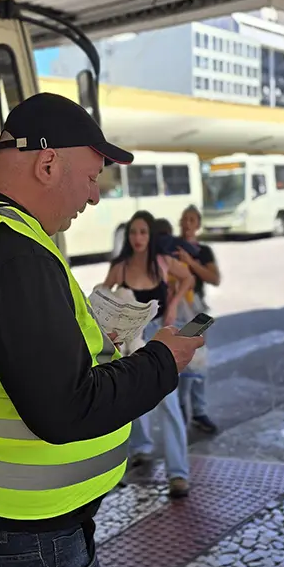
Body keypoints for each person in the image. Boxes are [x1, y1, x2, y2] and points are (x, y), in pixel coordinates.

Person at [0, 92, 205, 567]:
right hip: (21, 540)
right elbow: (68, 410)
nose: (93, 197)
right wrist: (163, 360)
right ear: (47, 164)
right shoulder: (13, 252)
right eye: (91, 178)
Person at [103, 212, 195, 498]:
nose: (138, 238)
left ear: (150, 235)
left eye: (143, 232)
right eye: (133, 233)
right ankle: (140, 448)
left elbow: (188, 277)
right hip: (131, 338)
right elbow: (103, 298)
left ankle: (178, 474)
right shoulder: (121, 267)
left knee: (169, 404)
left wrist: (174, 304)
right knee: (132, 397)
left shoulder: (162, 262)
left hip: (160, 335)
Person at [174, 205, 221, 434]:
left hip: (197, 310)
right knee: (181, 363)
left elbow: (213, 278)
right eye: (184, 219)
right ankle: (182, 411)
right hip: (176, 310)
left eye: (192, 220)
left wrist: (190, 262)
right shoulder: (171, 247)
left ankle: (199, 411)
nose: (187, 224)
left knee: (199, 362)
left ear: (198, 224)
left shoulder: (203, 251)